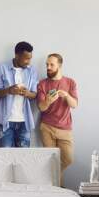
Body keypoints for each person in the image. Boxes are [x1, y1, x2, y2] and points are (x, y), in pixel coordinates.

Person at [37, 53, 78, 186]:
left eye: (51, 65)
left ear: (59, 65)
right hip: (47, 127)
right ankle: (59, 190)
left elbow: (75, 105)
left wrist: (66, 95)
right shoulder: (42, 84)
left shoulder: (70, 82)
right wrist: (48, 101)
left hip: (65, 128)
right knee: (51, 160)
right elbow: (41, 108)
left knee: (68, 159)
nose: (48, 67)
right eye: (47, 65)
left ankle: (54, 179)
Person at [0, 41, 38, 147]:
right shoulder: (1, 68)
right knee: (5, 157)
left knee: (23, 158)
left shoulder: (32, 71)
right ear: (17, 55)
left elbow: (35, 95)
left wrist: (27, 93)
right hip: (6, 121)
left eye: (30, 58)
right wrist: (9, 90)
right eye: (26, 58)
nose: (28, 62)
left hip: (24, 121)